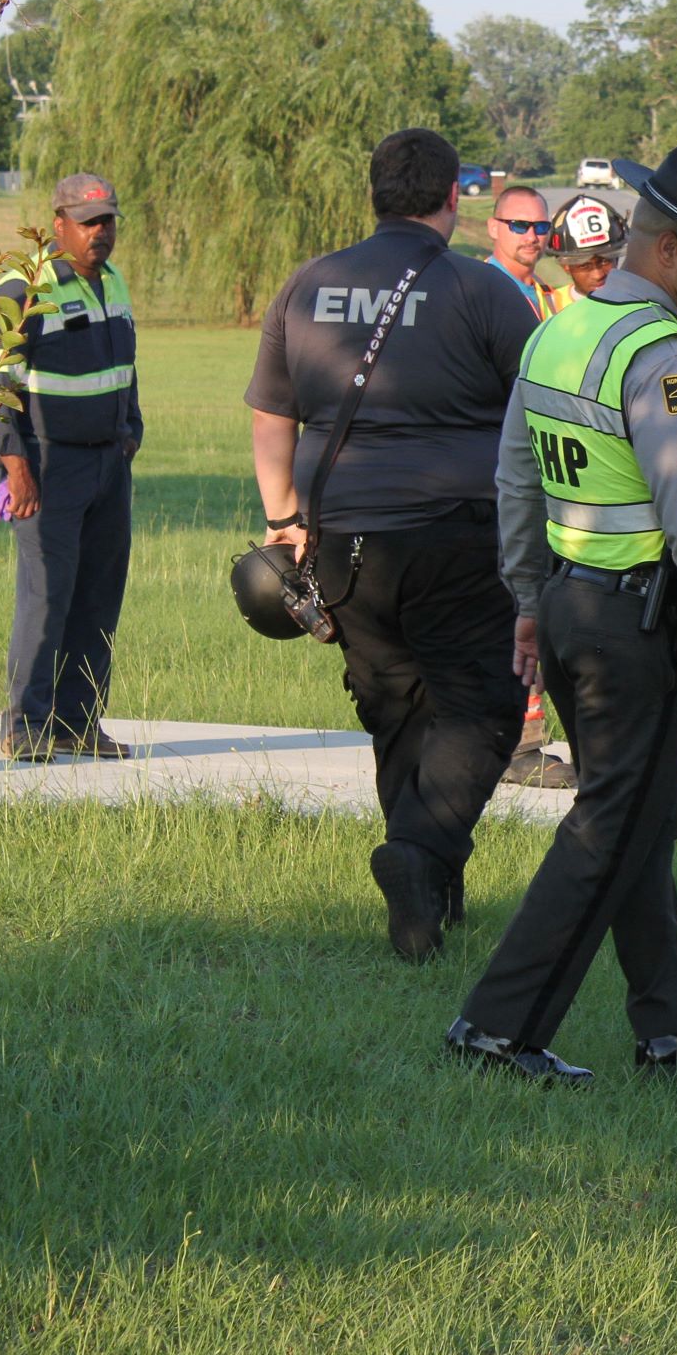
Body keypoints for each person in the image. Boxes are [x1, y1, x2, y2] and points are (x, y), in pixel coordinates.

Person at [449, 143, 677, 1084]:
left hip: (570, 607)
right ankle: (497, 1028)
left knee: (642, 821)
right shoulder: (663, 361)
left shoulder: (559, 331)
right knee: (611, 828)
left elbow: (514, 477)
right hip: (635, 631)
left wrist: (529, 600)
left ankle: (675, 1033)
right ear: (675, 249)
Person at [247, 129, 539, 961]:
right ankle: (417, 856)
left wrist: (283, 519)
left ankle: (427, 901)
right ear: (453, 198)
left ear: (373, 194)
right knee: (481, 707)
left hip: (340, 539)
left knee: (396, 709)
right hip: (453, 533)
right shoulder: (478, 289)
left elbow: (273, 410)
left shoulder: (309, 285)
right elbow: (544, 395)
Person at [0, 174, 140, 763]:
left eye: (107, 221)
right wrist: (15, 467)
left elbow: (126, 366)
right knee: (46, 596)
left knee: (100, 596)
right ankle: (24, 725)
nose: (100, 232)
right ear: (58, 225)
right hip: (47, 467)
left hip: (108, 464)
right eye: (88, 221)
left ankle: (78, 722)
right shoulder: (24, 285)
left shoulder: (115, 282)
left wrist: (132, 430)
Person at [501, 192, 632, 789]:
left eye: (609, 259)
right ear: (563, 263)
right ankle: (526, 742)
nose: (600, 272)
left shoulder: (648, 316)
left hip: (621, 506)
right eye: (586, 263)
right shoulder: (545, 320)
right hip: (562, 495)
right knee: (541, 621)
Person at [543, 193, 625, 313]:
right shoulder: (550, 307)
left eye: (604, 261)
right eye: (584, 265)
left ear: (616, 258)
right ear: (565, 265)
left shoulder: (638, 300)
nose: (598, 275)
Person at [485, 185, 554, 322]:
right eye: (519, 226)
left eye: (541, 227)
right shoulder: (481, 292)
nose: (532, 237)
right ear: (493, 228)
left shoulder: (548, 294)